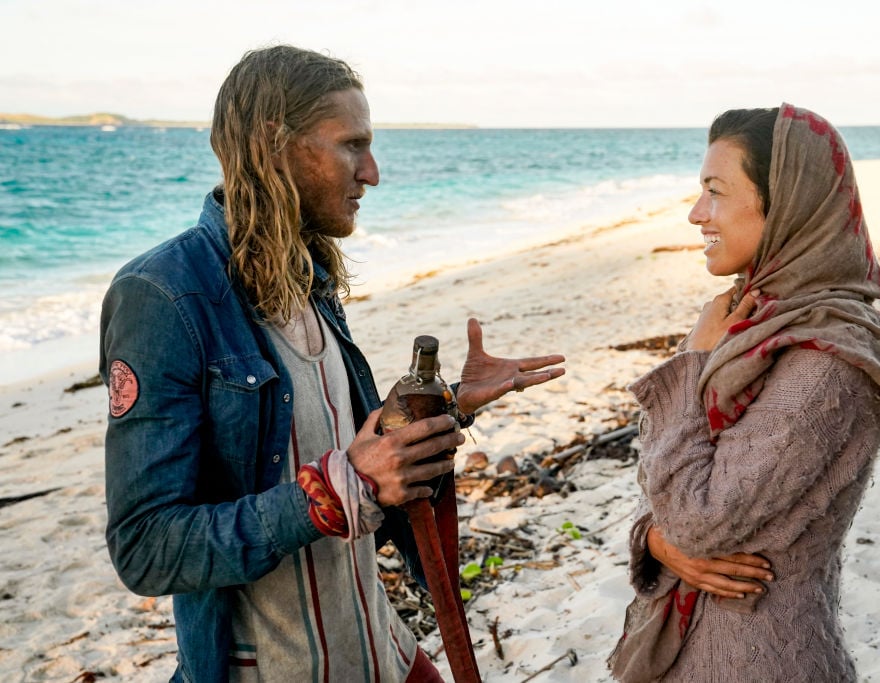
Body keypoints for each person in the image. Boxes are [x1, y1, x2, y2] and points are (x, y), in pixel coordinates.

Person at [100, 45, 565, 683]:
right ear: (274, 146)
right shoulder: (162, 295)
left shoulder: (308, 278)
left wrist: (445, 405)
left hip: (383, 650)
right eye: (352, 146)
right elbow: (146, 548)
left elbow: (340, 445)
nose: (371, 173)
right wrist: (337, 491)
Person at [609, 104, 880, 682]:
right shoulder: (750, 328)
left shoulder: (828, 362)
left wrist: (691, 365)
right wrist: (655, 540)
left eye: (715, 192)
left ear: (787, 204)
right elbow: (665, 486)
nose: (697, 213)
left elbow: (698, 521)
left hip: (761, 661)